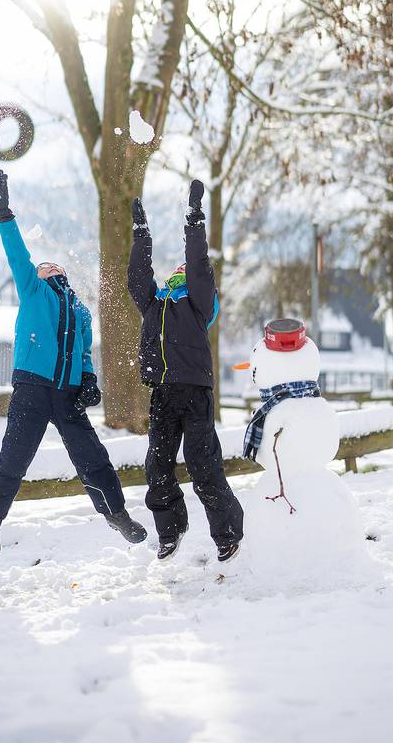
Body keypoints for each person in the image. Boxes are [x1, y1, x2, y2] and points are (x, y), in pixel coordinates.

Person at [0, 169, 147, 556]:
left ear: (65, 275)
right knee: (15, 458)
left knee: (92, 457)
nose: (49, 267)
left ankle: (117, 513)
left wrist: (88, 380)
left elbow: (85, 352)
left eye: (55, 266)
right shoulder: (33, 290)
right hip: (32, 388)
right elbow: (19, 254)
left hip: (67, 395)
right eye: (44, 266)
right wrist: (4, 214)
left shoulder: (80, 310)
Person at [128, 179, 244, 563]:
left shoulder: (198, 301)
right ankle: (170, 528)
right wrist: (141, 234)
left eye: (186, 269)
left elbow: (197, 262)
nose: (181, 269)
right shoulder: (155, 303)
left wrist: (194, 219)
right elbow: (137, 279)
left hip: (195, 392)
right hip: (161, 392)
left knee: (201, 463)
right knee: (157, 465)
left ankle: (227, 533)